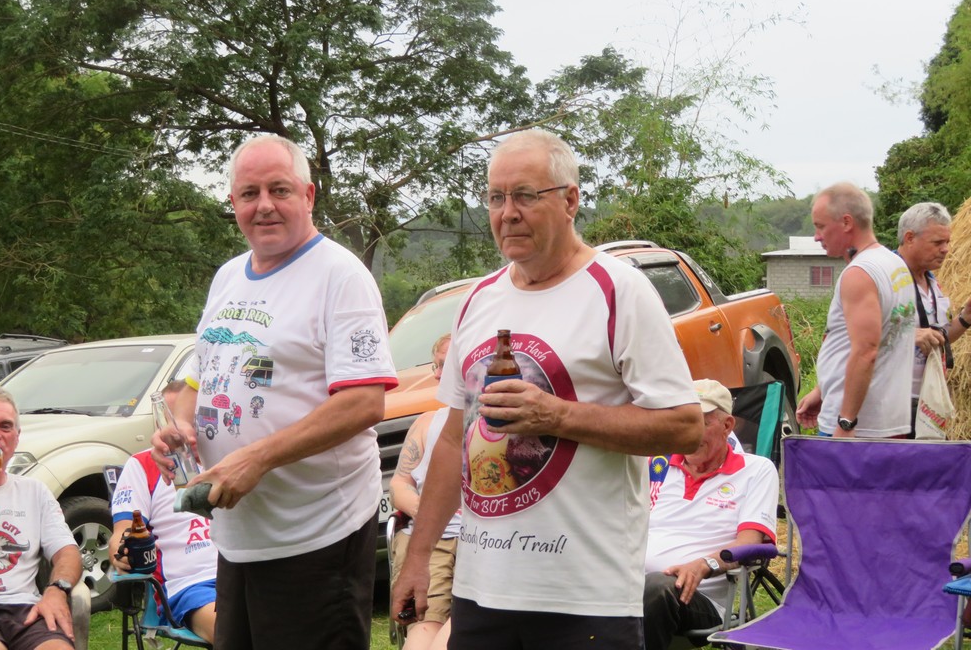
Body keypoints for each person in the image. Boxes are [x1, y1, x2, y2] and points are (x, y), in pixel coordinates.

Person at [391, 129, 704, 650]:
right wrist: (419, 556)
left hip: (585, 596)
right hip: (481, 589)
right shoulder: (477, 301)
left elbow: (685, 426)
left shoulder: (619, 291)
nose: (508, 213)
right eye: (496, 197)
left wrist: (555, 416)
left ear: (570, 201)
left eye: (525, 195)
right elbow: (450, 441)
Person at [152, 134, 398, 650]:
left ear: (308, 195)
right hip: (238, 536)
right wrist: (181, 426)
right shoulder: (228, 277)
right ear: (233, 203)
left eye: (279, 189)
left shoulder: (339, 276)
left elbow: (364, 401)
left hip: (315, 535)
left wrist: (257, 458)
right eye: (249, 193)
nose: (263, 205)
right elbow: (201, 372)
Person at [643, 379, 778, 650]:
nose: (689, 434)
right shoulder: (657, 465)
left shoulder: (756, 471)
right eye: (683, 423)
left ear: (727, 425)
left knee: (656, 587)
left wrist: (704, 564)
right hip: (631, 580)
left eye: (701, 423)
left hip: (696, 596)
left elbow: (749, 542)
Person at [0, 386, 82, 650]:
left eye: (5, 426)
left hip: (23, 608)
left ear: (17, 438)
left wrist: (57, 589)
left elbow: (67, 551)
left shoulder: (34, 491)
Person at [797, 182, 916, 438]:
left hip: (859, 428)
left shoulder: (859, 273)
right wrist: (823, 390)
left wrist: (846, 422)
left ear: (847, 222)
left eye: (820, 226)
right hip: (888, 421)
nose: (817, 236)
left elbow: (866, 351)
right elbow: (883, 342)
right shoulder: (895, 265)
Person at [110, 383, 217, 643]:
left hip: (247, 568)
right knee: (235, 629)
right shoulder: (142, 465)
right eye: (169, 422)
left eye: (186, 419)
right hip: (192, 585)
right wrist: (123, 553)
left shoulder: (224, 454)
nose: (177, 434)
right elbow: (122, 531)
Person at [390, 334, 459, 650]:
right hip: (432, 539)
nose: (436, 375)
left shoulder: (499, 422)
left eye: (444, 366)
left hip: (484, 540)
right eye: (436, 366)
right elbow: (398, 485)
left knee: (463, 621)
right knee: (427, 622)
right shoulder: (426, 422)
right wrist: (432, 513)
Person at [895, 202, 971, 435]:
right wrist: (909, 336)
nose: (946, 249)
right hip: (891, 406)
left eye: (947, 242)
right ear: (909, 238)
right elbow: (855, 336)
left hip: (928, 404)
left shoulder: (933, 283)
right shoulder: (885, 277)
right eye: (938, 243)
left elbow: (939, 337)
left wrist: (965, 318)